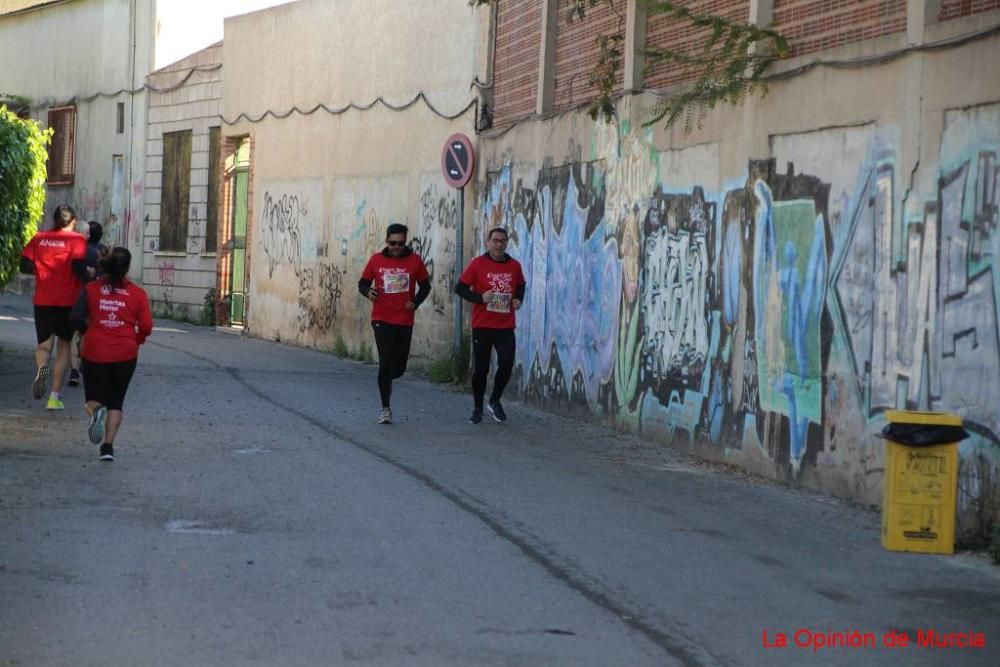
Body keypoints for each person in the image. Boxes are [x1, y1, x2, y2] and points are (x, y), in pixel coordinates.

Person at [70, 247, 153, 462]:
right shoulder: (138, 294)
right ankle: (107, 447)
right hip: (126, 354)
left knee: (93, 399)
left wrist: (86, 333)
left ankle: (97, 411)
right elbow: (146, 326)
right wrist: (137, 340)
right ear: (127, 268)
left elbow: (76, 317)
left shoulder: (91, 289)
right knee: (116, 400)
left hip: (95, 351)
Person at [358, 223, 431, 424]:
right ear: (387, 241)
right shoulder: (376, 260)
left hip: (404, 319)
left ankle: (388, 379)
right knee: (385, 360)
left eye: (400, 243)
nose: (396, 247)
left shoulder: (415, 261)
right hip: (381, 318)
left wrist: (415, 302)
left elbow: (425, 286)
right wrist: (368, 292)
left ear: (405, 242)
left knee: (398, 368)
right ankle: (385, 408)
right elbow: (362, 283)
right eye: (392, 243)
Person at [19, 205, 89, 409]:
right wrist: (91, 274)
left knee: (43, 345)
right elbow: (78, 269)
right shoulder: (77, 240)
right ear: (73, 221)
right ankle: (54, 397)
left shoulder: (40, 238)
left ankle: (42, 371)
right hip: (68, 301)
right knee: (64, 345)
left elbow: (23, 265)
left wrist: (41, 271)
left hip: (43, 299)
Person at [455, 227, 526, 424]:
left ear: (506, 243)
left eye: (502, 241)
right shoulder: (478, 264)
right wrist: (479, 297)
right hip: (482, 325)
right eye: (495, 240)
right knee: (481, 369)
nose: (499, 244)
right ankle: (477, 408)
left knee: (506, 363)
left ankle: (494, 400)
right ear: (488, 242)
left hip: (505, 326)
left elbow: (521, 285)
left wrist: (518, 299)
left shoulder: (514, 266)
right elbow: (459, 288)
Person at [68, 221, 108, 387]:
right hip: (93, 298)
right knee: (87, 333)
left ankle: (74, 370)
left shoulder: (76, 251)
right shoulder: (102, 252)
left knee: (73, 335)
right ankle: (85, 360)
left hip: (73, 297)